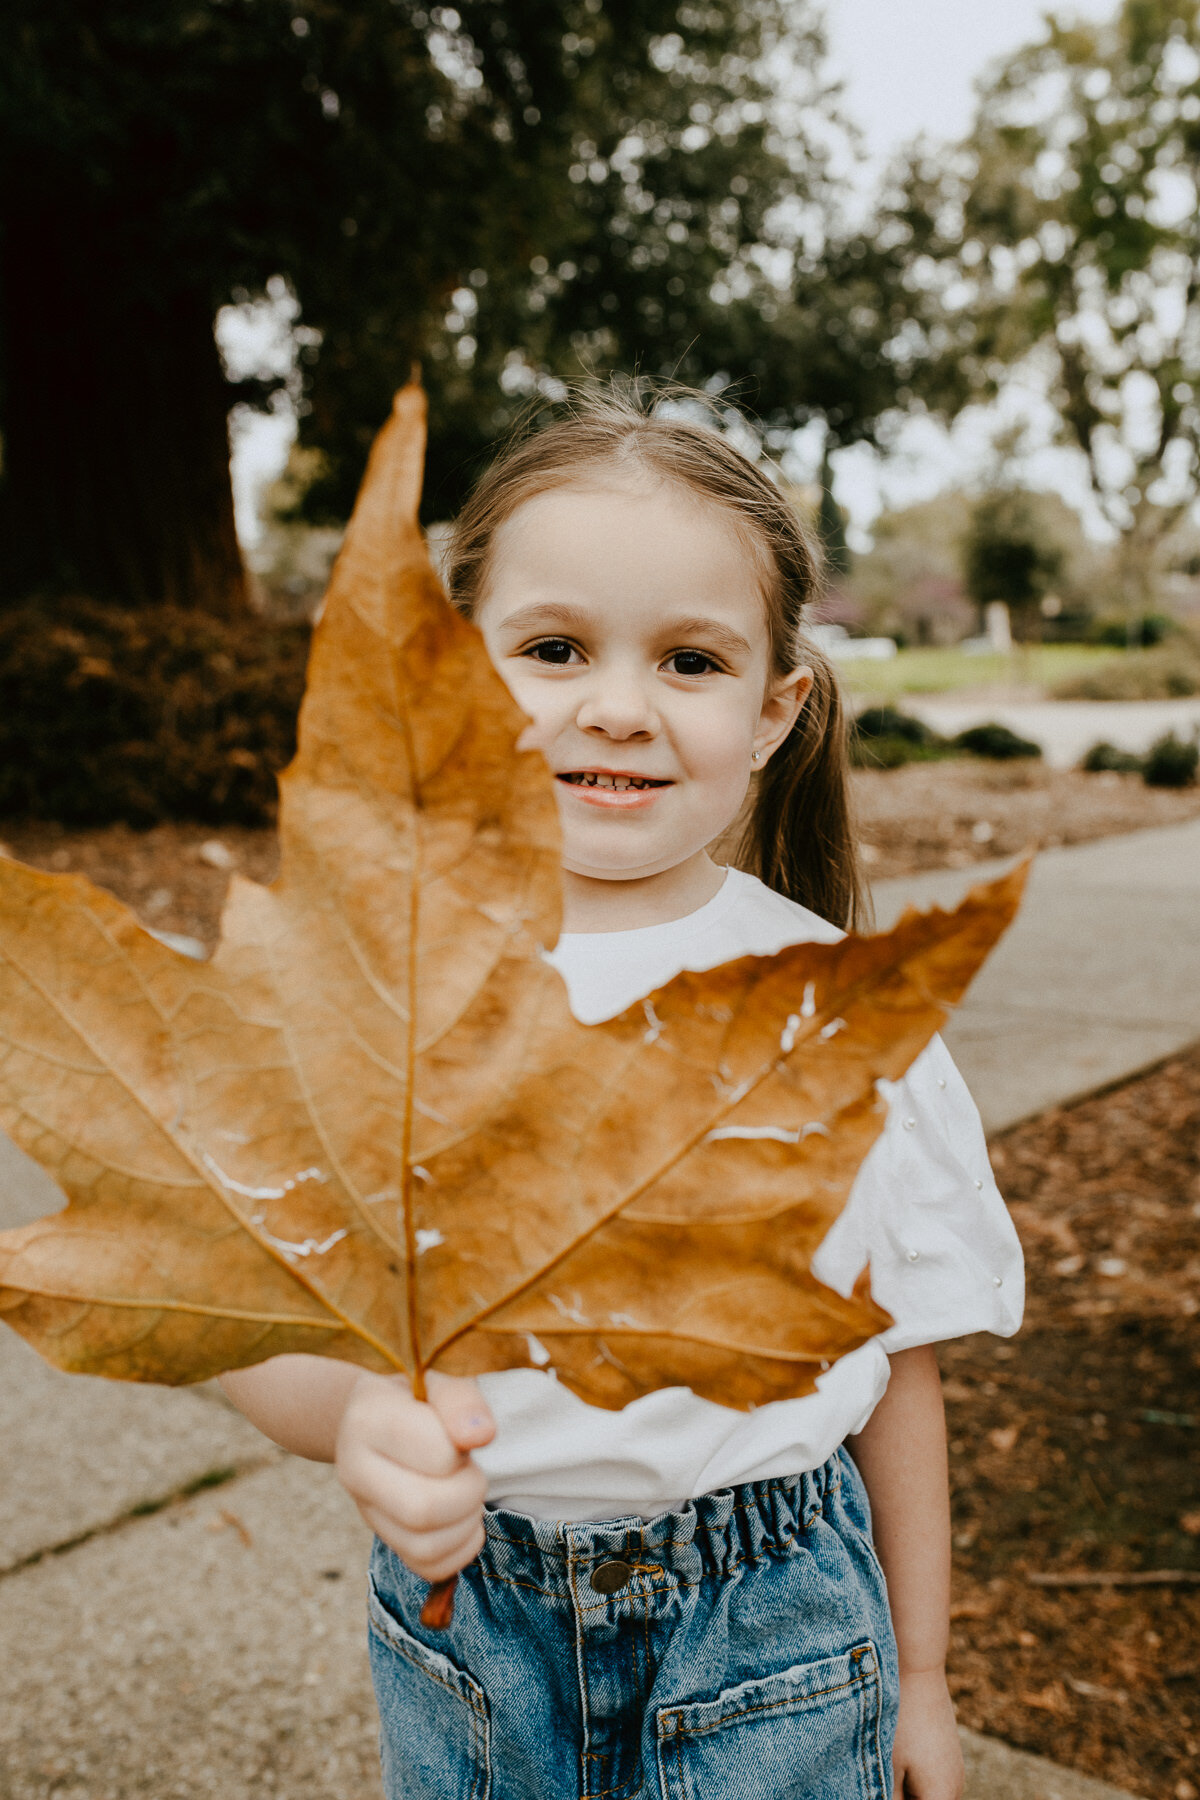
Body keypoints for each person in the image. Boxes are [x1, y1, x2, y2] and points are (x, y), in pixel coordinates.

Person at [220, 387, 1023, 1800]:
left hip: (768, 1625)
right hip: (477, 1621)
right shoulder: (372, 991)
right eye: (552, 647)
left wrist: (931, 1676)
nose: (615, 707)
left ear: (777, 709)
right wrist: (345, 1416)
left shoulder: (839, 1008)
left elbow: (903, 1363)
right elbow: (240, 1302)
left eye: (690, 661)